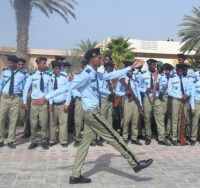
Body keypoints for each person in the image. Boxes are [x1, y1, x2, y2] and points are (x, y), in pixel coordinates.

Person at [32, 48, 153, 184]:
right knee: (114, 136)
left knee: (84, 145)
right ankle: (135, 163)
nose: (101, 60)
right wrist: (46, 98)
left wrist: (130, 67)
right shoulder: (86, 74)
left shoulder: (95, 73)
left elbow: (111, 75)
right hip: (92, 113)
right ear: (92, 59)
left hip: (92, 112)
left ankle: (75, 175)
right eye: (99, 58)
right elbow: (68, 87)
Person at [0, 55, 26, 149]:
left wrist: (23, 101)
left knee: (13, 120)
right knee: (1, 119)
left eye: (10, 63)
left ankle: (11, 140)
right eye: (8, 63)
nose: (8, 64)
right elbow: (0, 84)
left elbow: (23, 89)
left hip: (15, 98)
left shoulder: (21, 75)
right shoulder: (5, 72)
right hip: (4, 98)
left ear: (15, 64)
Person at [23, 57, 52, 150]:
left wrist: (50, 103)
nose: (45, 65)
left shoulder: (48, 76)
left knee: (44, 123)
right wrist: (24, 101)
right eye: (43, 63)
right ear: (38, 64)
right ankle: (34, 141)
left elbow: (50, 91)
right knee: (33, 123)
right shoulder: (32, 76)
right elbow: (25, 89)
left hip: (43, 102)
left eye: (45, 63)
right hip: (34, 102)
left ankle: (44, 140)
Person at [115, 61, 142, 145]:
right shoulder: (122, 79)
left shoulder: (134, 79)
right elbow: (116, 91)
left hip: (135, 101)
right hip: (126, 100)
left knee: (135, 120)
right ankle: (125, 137)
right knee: (126, 120)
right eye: (130, 71)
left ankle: (134, 137)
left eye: (132, 71)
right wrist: (124, 93)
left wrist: (140, 103)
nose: (131, 72)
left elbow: (138, 92)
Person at [48, 60, 71, 147]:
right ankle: (52, 140)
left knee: (63, 123)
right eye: (56, 69)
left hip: (63, 104)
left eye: (59, 68)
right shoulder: (50, 77)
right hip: (53, 104)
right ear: (53, 68)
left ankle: (63, 141)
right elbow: (49, 91)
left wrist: (67, 104)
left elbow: (69, 91)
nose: (58, 70)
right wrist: (50, 103)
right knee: (52, 123)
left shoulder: (65, 77)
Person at [168, 64, 191, 146]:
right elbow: (169, 91)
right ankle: (174, 138)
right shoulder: (172, 79)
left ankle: (181, 137)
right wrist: (180, 96)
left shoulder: (186, 79)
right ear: (177, 70)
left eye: (182, 70)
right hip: (176, 100)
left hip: (184, 101)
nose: (180, 72)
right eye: (179, 70)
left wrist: (187, 95)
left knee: (183, 120)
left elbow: (189, 89)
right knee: (175, 119)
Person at [72, 59, 87, 147]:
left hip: (88, 101)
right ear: (82, 67)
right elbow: (73, 88)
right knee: (78, 121)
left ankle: (87, 139)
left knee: (88, 121)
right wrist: (81, 95)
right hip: (80, 100)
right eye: (84, 66)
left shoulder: (91, 75)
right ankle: (77, 138)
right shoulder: (77, 76)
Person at [17, 58, 31, 138]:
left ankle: (27, 131)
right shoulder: (13, 73)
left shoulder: (27, 74)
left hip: (23, 96)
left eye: (22, 64)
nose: (20, 66)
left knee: (24, 115)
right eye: (19, 64)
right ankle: (7, 132)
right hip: (14, 96)